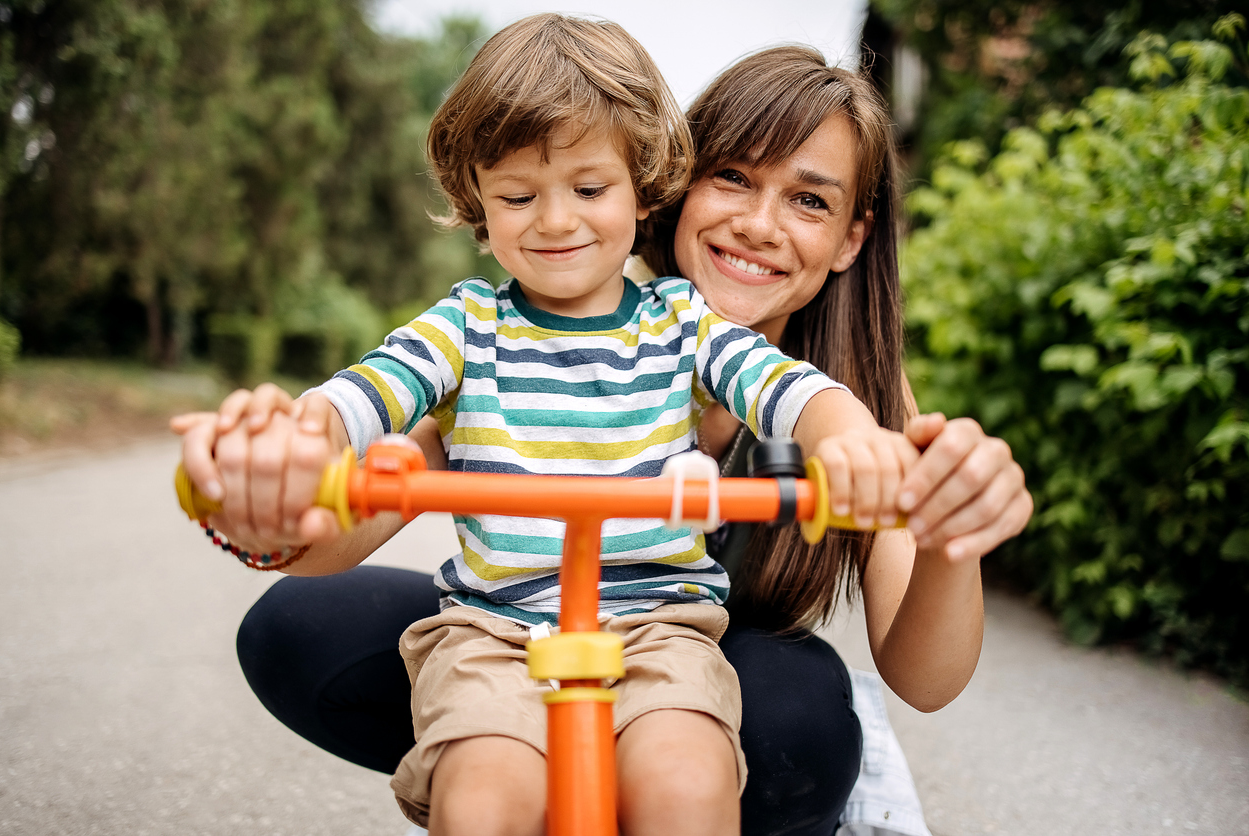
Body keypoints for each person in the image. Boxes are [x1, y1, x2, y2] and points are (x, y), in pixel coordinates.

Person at [175, 42, 1032, 836]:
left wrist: (925, 509)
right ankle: (506, 762)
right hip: (505, 622)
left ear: (850, 237)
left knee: (777, 727)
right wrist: (274, 476)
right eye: (733, 176)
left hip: (671, 637)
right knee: (386, 701)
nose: (761, 224)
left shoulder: (774, 367)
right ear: (676, 185)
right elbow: (363, 441)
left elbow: (919, 668)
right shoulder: (507, 330)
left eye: (807, 199)